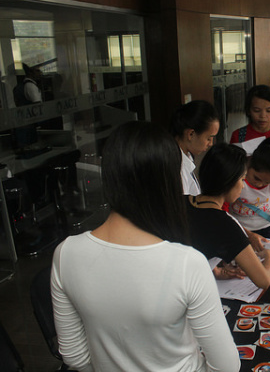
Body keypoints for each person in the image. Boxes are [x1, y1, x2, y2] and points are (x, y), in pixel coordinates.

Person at [51, 121, 240, 372]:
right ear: (168, 182)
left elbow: (74, 357)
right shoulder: (187, 263)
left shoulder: (66, 254)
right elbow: (226, 366)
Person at [188, 142, 270, 289]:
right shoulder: (225, 225)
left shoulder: (182, 201)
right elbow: (264, 280)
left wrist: (215, 270)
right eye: (242, 179)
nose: (243, 186)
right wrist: (268, 256)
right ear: (229, 181)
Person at [229, 137, 270, 245]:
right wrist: (247, 234)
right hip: (237, 226)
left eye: (267, 182)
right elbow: (222, 208)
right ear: (249, 164)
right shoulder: (235, 172)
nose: (259, 184)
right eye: (257, 178)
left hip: (268, 226)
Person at [170, 100, 220, 195]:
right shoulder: (177, 168)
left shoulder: (186, 156)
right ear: (191, 134)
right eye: (209, 138)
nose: (211, 144)